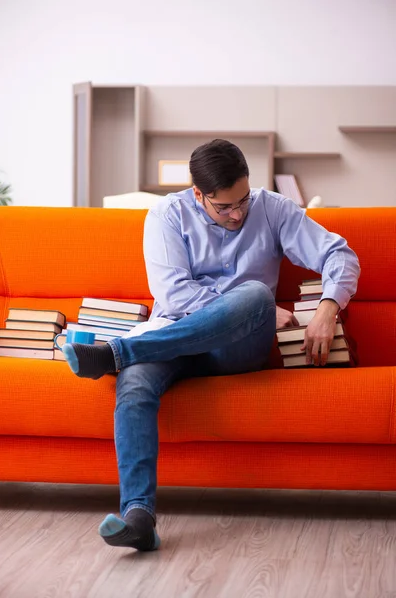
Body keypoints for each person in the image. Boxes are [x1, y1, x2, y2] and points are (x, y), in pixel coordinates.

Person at [62, 139, 360, 552]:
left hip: (236, 351)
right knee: (134, 385)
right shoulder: (167, 214)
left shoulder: (271, 207)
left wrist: (328, 308)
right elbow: (175, 295)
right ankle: (139, 517)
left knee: (255, 294)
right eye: (225, 207)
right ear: (197, 193)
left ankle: (119, 352)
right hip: (172, 340)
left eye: (243, 201)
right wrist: (240, 307)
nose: (238, 213)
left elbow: (339, 254)